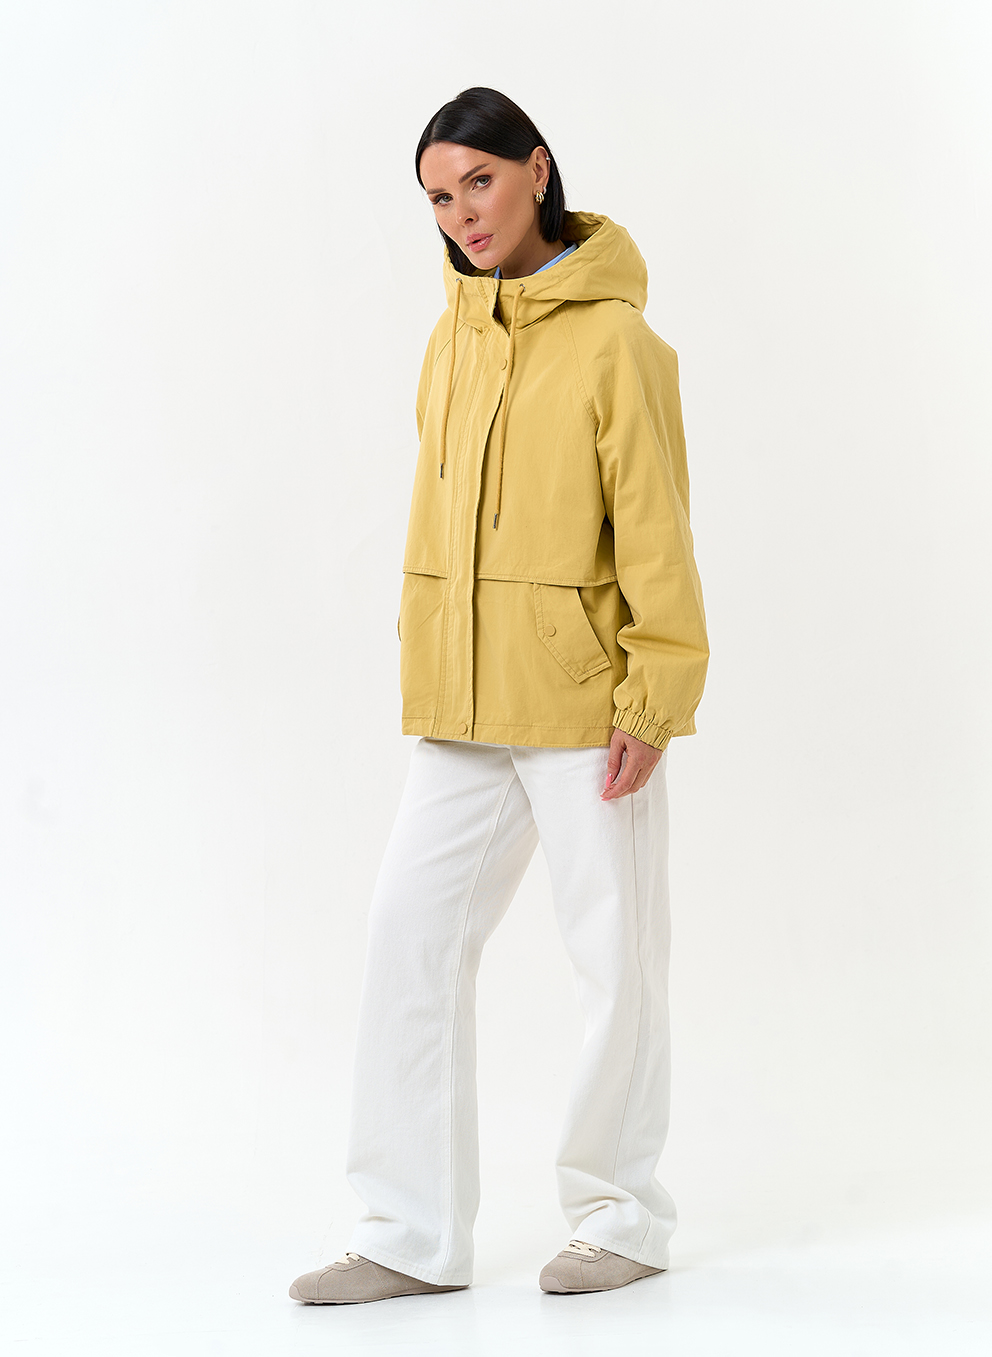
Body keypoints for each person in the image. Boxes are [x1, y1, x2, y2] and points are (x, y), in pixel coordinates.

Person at [289, 86, 709, 1305]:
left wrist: (652, 694)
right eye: (437, 196)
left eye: (477, 180)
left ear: (534, 170)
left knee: (614, 958)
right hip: (463, 703)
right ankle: (406, 1232)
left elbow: (657, 532)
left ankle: (621, 1215)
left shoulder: (618, 342)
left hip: (585, 704)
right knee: (406, 938)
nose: (460, 213)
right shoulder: (452, 337)